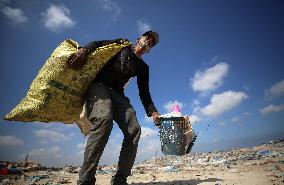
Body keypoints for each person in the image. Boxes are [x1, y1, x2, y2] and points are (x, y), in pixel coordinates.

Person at [67, 31, 160, 185]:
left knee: (134, 129)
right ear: (139, 39)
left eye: (152, 42)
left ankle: (120, 180)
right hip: (99, 86)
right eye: (147, 38)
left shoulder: (144, 68)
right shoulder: (122, 44)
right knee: (104, 119)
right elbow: (97, 44)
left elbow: (144, 92)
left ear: (150, 49)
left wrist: (153, 111)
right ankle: (85, 181)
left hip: (118, 93)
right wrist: (83, 51)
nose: (148, 41)